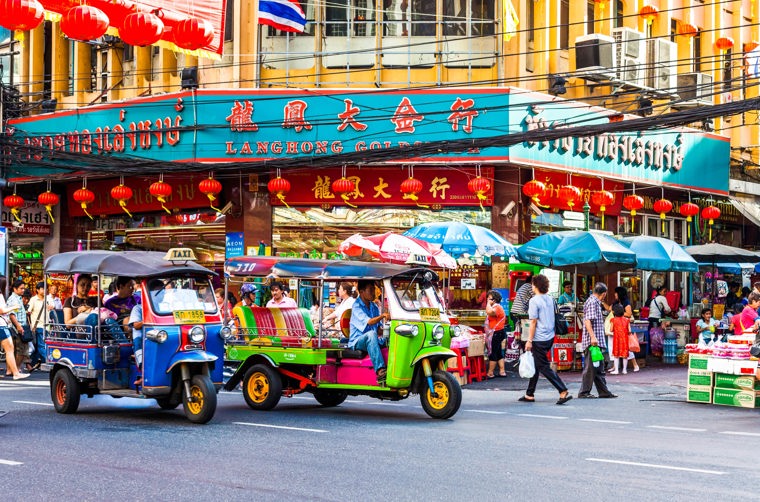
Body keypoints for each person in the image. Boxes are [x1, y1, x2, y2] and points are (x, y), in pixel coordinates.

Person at [520, 274, 572, 405]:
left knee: (542, 365)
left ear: (535, 286)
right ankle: (529, 393)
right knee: (537, 364)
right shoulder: (551, 299)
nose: (531, 286)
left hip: (539, 338)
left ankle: (562, 390)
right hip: (550, 336)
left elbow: (533, 322)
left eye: (532, 284)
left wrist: (529, 340)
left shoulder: (534, 301)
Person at [578, 282, 616, 399]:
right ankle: (584, 392)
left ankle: (604, 391)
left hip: (596, 341)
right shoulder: (592, 302)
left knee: (598, 367)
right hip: (592, 342)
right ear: (604, 294)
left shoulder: (594, 302)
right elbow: (588, 321)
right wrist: (593, 337)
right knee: (590, 368)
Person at [349, 280, 390, 385]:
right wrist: (382, 315)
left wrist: (390, 329)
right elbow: (369, 322)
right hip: (358, 341)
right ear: (362, 292)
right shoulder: (356, 306)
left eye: (374, 289)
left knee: (391, 336)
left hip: (373, 339)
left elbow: (378, 329)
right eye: (370, 290)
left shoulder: (374, 306)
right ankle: (380, 370)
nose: (373, 293)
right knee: (371, 335)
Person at [0, 277, 28, 380]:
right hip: (2, 325)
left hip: (3, 324)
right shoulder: (3, 297)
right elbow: (2, 310)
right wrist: (13, 307)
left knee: (10, 349)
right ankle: (15, 373)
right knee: (10, 349)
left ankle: (14, 371)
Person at [612, 286, 639, 372]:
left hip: (623, 329)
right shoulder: (617, 302)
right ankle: (618, 367)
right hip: (621, 330)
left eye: (616, 293)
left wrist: (618, 314)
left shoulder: (626, 302)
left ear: (619, 293)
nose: (614, 294)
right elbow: (609, 308)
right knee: (621, 349)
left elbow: (629, 313)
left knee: (626, 349)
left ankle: (635, 365)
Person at [7, 280, 31, 373]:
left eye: (23, 288)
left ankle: (12, 370)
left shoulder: (18, 298)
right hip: (17, 328)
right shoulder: (14, 299)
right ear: (15, 289)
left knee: (18, 350)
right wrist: (18, 326)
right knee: (21, 350)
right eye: (21, 288)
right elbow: (12, 314)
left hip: (20, 327)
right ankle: (15, 369)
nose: (23, 290)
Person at [27, 281, 50, 371]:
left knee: (38, 346)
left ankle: (31, 364)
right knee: (41, 346)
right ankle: (48, 362)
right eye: (43, 288)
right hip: (38, 326)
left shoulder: (47, 299)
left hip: (47, 326)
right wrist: (31, 325)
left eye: (46, 288)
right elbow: (28, 312)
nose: (45, 290)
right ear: (37, 290)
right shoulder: (33, 299)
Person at [485, 290, 507, 378]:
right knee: (498, 352)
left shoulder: (497, 307)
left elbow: (489, 312)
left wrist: (488, 303)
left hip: (496, 333)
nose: (487, 299)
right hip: (498, 332)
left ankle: (490, 373)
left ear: (493, 300)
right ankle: (502, 371)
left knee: (493, 353)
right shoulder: (496, 306)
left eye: (489, 298)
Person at [608, 304, 630, 375]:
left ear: (614, 312)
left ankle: (616, 370)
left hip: (616, 339)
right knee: (625, 355)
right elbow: (629, 330)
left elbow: (611, 329)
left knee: (616, 355)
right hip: (625, 339)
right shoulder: (627, 320)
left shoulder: (613, 320)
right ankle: (624, 370)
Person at [128, 303, 144, 386]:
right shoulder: (138, 308)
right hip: (140, 337)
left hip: (157, 335)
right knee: (139, 351)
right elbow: (136, 325)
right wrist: (148, 320)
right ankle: (143, 376)